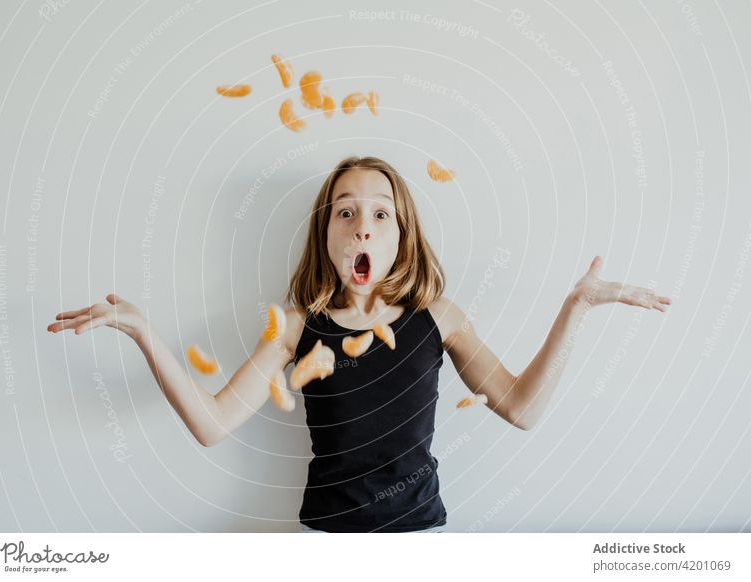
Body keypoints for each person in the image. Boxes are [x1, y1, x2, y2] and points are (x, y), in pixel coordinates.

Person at [47, 155, 671, 533]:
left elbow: (522, 408)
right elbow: (211, 423)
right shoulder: (296, 325)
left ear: (401, 234)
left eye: (379, 213)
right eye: (345, 212)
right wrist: (143, 331)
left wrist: (576, 308)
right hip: (325, 542)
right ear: (326, 234)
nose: (361, 226)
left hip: (420, 539)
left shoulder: (439, 318)